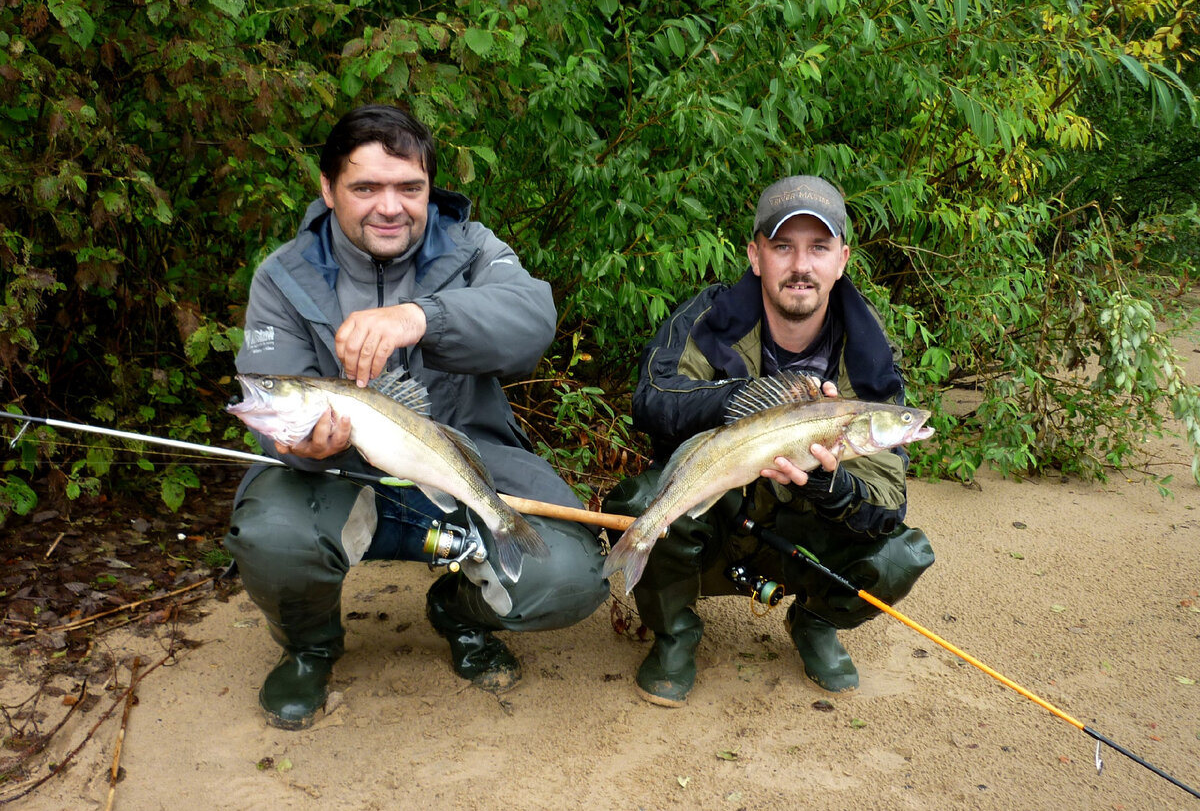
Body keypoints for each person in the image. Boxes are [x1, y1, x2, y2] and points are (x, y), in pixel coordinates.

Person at [225, 104, 609, 729]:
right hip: (338, 476)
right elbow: (279, 401)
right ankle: (310, 649)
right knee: (272, 537)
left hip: (464, 458)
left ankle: (461, 612)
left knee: (568, 575)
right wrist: (306, 447)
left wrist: (420, 317)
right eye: (365, 187)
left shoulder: (474, 248)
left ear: (431, 188)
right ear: (327, 190)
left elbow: (532, 319)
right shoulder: (284, 276)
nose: (390, 206)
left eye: (410, 188)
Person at [604, 175, 934, 707]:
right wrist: (742, 399)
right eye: (783, 247)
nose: (800, 265)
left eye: (818, 248)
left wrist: (833, 487)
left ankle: (815, 621)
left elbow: (888, 500)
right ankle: (675, 635)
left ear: (842, 260)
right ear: (756, 256)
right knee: (643, 502)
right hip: (718, 510)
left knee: (900, 555)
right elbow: (653, 398)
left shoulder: (866, 351)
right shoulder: (712, 319)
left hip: (800, 524)